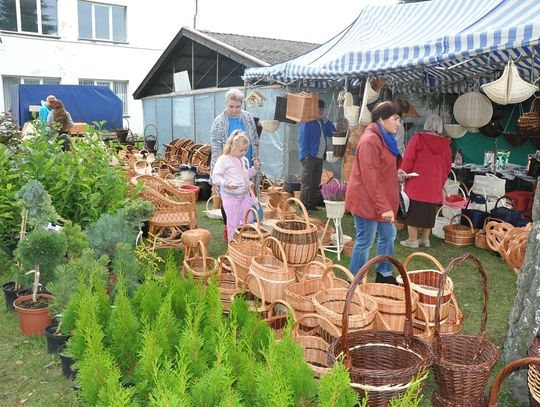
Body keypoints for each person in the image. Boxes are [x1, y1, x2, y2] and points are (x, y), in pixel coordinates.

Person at [345, 100, 404, 284]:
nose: (398, 123)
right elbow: (370, 178)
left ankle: (384, 274)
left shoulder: (384, 137)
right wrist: (384, 207)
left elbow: (380, 169)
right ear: (381, 119)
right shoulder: (370, 140)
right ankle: (354, 279)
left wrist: (396, 174)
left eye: (399, 119)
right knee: (365, 241)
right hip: (366, 201)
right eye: (395, 119)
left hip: (380, 200)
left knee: (388, 236)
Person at [210, 89, 259, 240]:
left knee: (247, 197)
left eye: (237, 106)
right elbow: (217, 148)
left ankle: (243, 230)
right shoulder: (218, 122)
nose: (234, 110)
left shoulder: (248, 117)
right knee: (229, 201)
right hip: (228, 167)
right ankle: (229, 230)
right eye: (231, 106)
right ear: (226, 104)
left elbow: (255, 140)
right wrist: (227, 166)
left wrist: (255, 159)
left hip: (246, 163)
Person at [398, 113, 451, 248]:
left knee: (413, 212)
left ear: (426, 124)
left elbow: (408, 158)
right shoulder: (446, 145)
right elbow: (447, 167)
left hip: (417, 181)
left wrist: (403, 173)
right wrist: (441, 183)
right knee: (429, 212)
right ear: (440, 127)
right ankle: (425, 239)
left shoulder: (418, 138)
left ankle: (412, 240)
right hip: (434, 184)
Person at [211, 130, 261, 241]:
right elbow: (215, 177)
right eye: (241, 150)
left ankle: (244, 243)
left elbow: (247, 175)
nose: (244, 152)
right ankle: (232, 246)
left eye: (246, 150)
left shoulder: (244, 160)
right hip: (230, 197)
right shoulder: (224, 159)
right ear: (232, 146)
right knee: (233, 223)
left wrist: (256, 168)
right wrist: (226, 184)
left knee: (248, 219)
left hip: (244, 196)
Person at [298, 99, 336, 211]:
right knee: (307, 182)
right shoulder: (307, 121)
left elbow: (332, 132)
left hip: (319, 157)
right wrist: (305, 155)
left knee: (315, 182)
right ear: (314, 109)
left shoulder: (321, 122)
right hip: (310, 156)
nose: (321, 110)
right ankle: (303, 207)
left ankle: (311, 204)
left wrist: (326, 120)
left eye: (322, 108)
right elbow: (302, 140)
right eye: (319, 108)